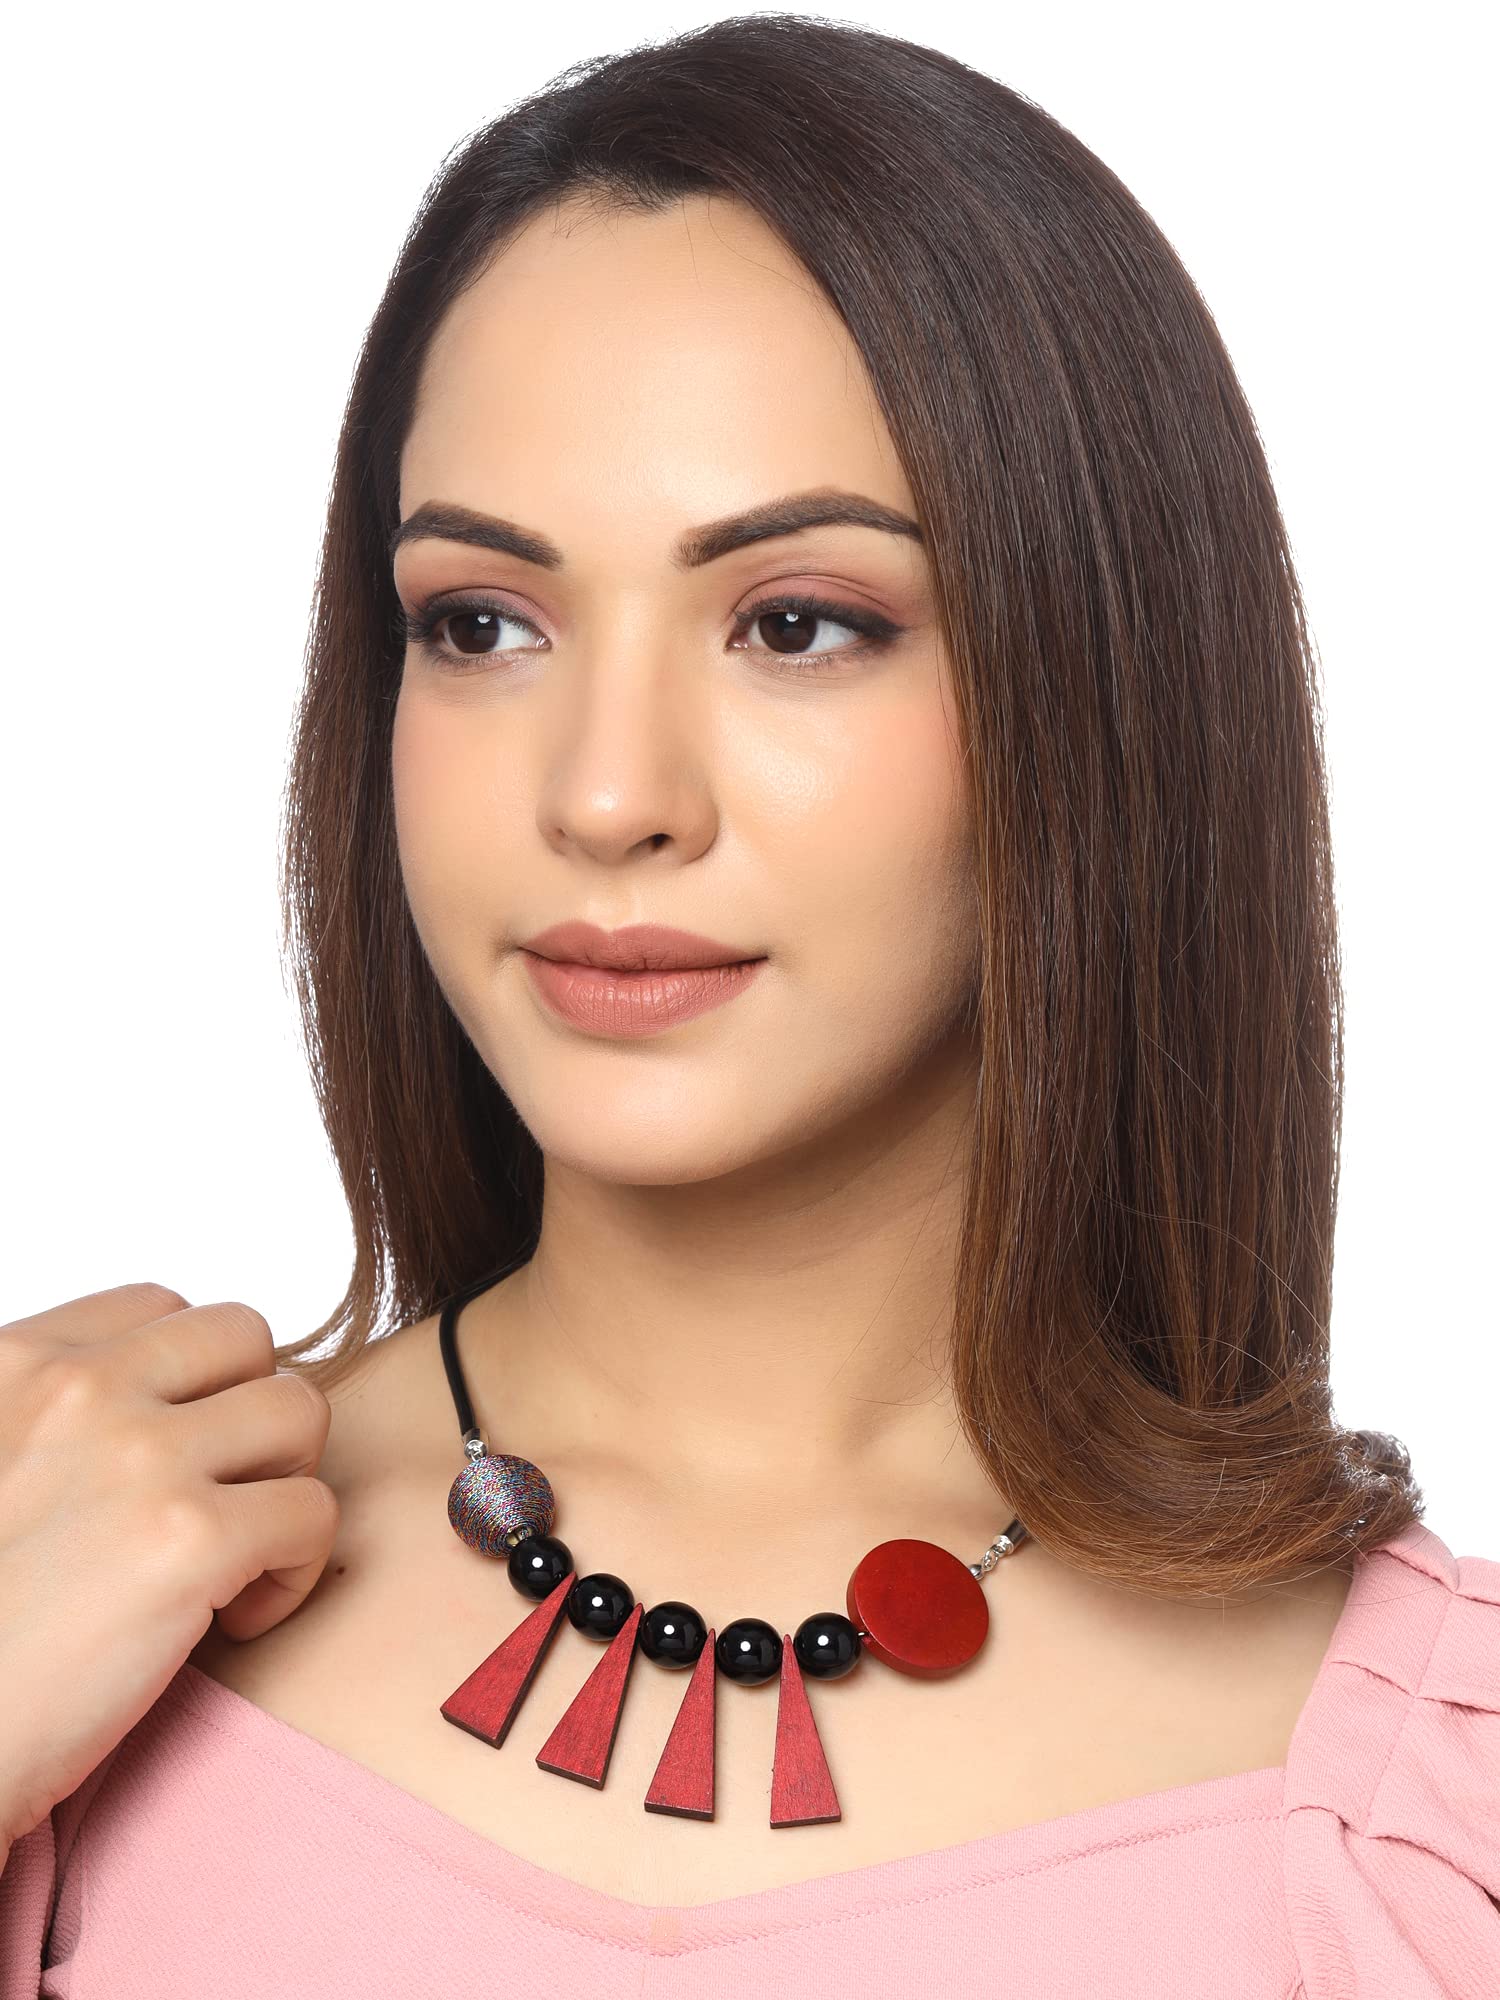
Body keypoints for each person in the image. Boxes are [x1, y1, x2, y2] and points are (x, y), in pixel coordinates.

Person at [2, 14, 1496, 1995]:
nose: (606, 794)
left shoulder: (1426, 1815)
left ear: (1100, 695)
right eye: (483, 623)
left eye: (798, 623)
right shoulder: (66, 1589)